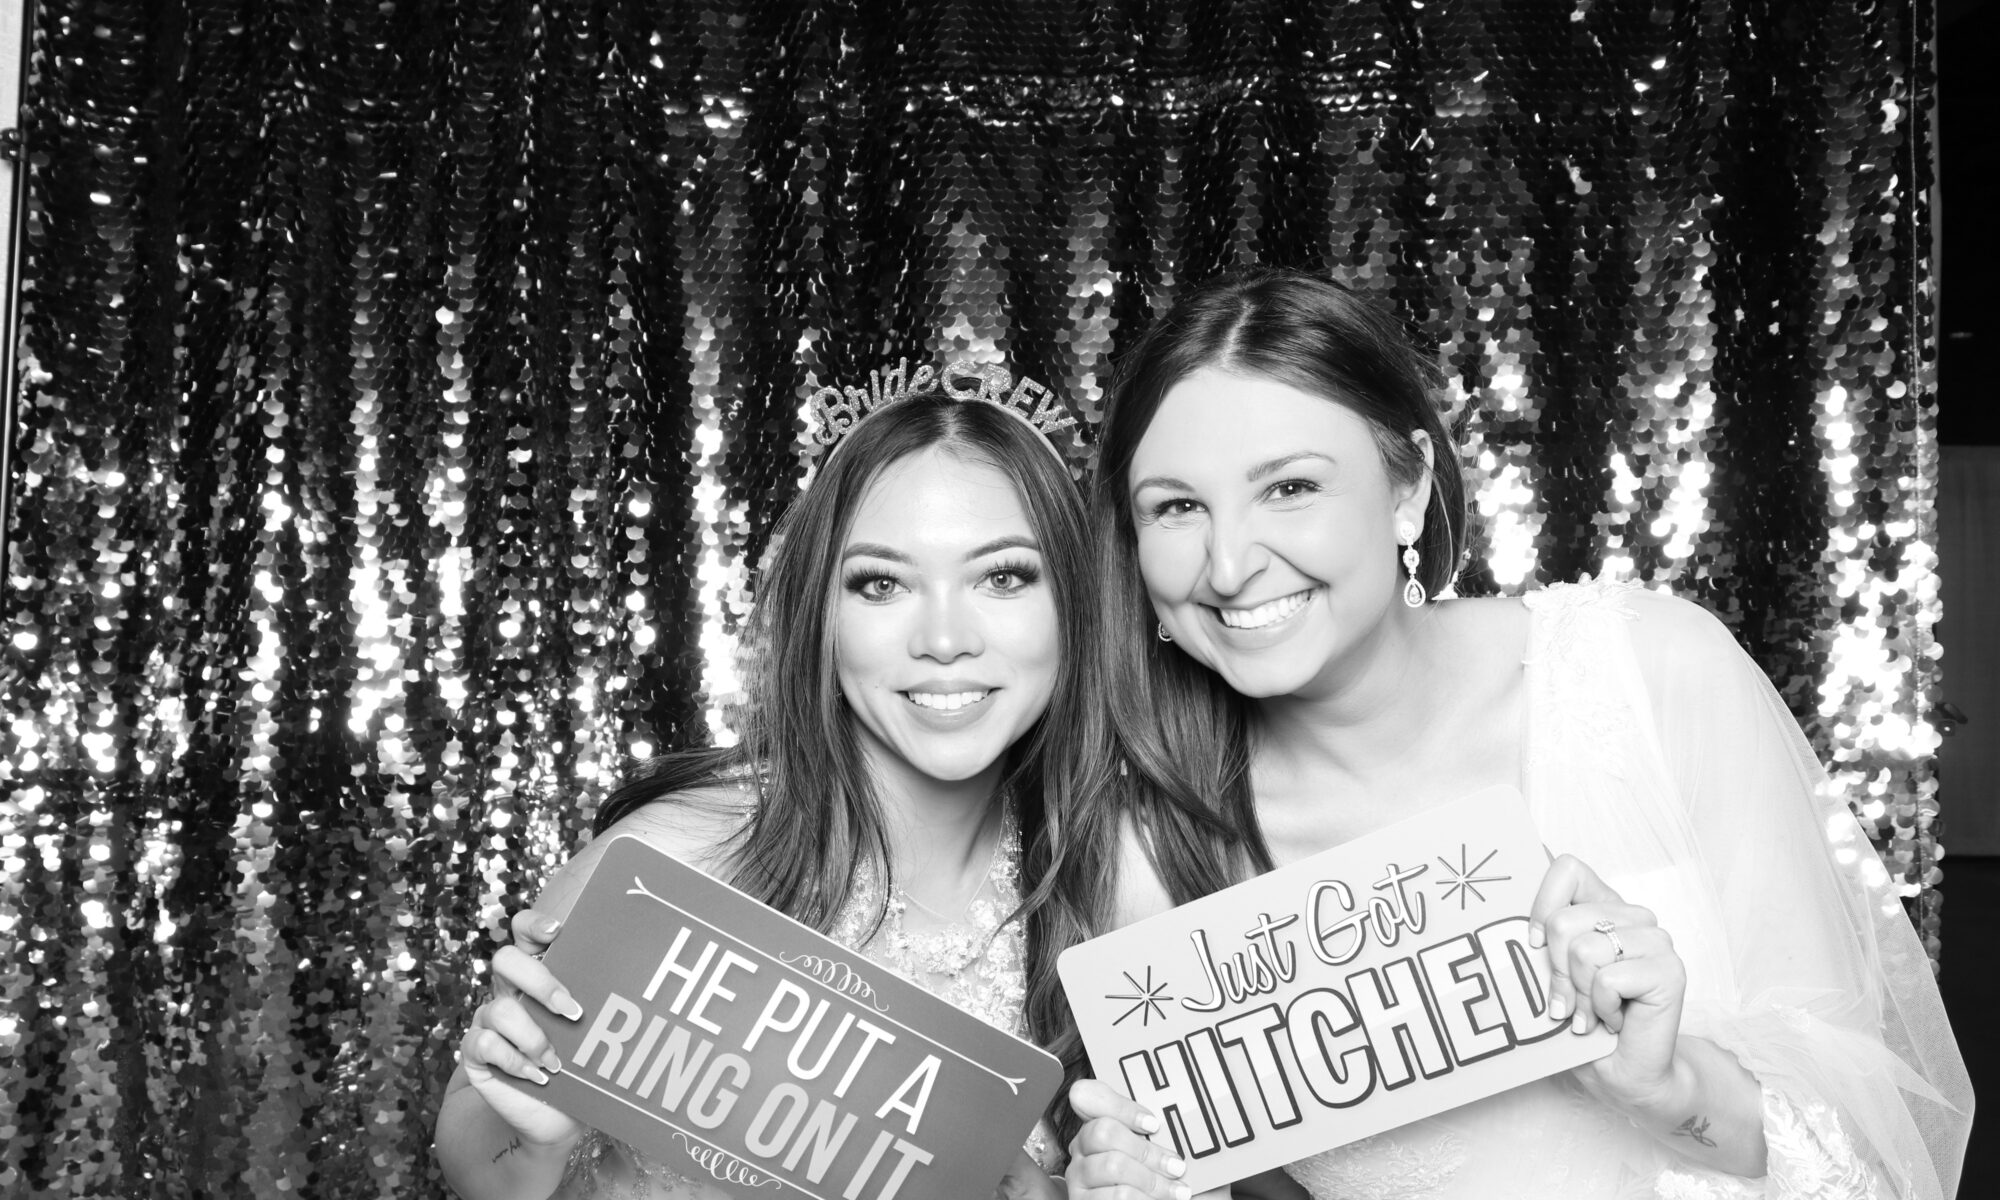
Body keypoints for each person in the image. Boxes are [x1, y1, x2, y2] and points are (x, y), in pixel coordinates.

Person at [1055, 268, 1971, 1199]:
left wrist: (1666, 1085)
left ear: (1407, 488)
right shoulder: (1154, 860)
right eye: (1176, 507)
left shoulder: (1646, 676)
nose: (1229, 563)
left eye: (1290, 487)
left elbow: (1875, 1151)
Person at [432, 362, 1108, 1200]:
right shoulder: (670, 864)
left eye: (1003, 576)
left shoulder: (1113, 881)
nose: (944, 638)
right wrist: (526, 1131)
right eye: (881, 583)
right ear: (819, 610)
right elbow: (479, 1169)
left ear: (1074, 604)